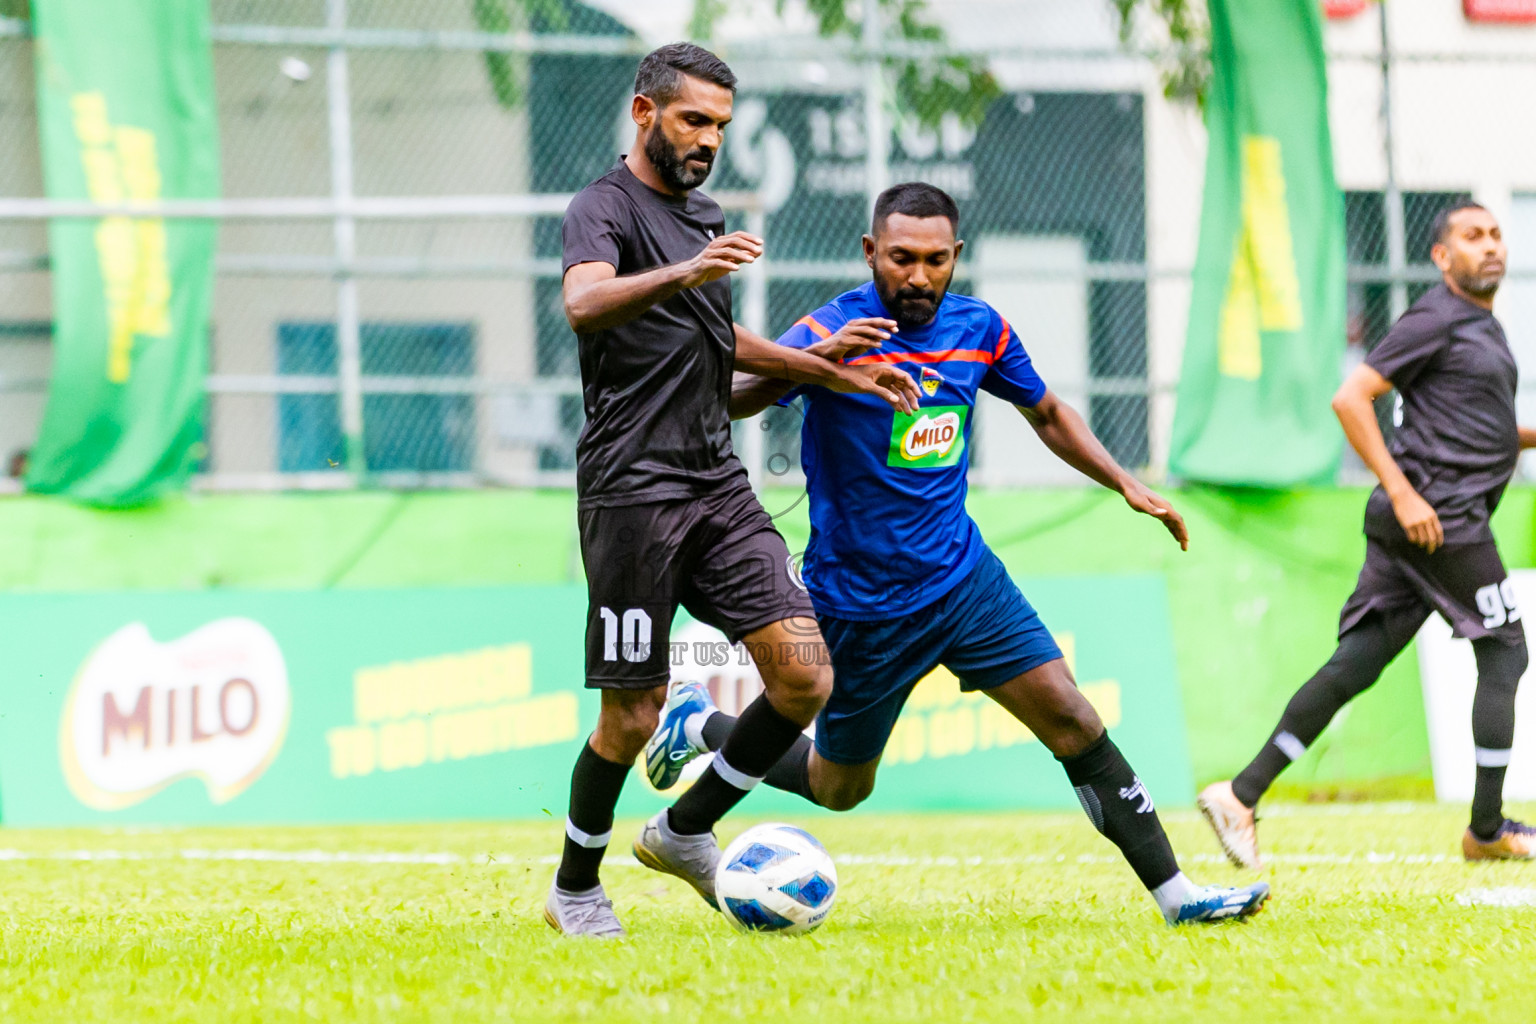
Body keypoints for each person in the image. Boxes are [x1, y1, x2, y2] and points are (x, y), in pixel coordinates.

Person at [646, 182, 1271, 925]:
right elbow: (728, 395)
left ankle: (1179, 898)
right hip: (862, 604)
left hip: (964, 581)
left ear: (956, 257)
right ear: (871, 252)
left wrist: (1125, 484)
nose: (917, 276)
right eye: (901, 258)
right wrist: (810, 361)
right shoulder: (834, 325)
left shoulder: (982, 329)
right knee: (841, 786)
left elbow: (1046, 410)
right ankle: (698, 725)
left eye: (935, 260)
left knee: (1073, 717)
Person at [546, 43, 923, 938]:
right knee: (630, 715)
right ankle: (574, 887)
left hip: (717, 484)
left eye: (720, 124)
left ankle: (683, 830)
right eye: (693, 121)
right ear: (645, 114)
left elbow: (717, 338)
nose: (710, 139)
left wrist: (822, 367)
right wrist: (692, 270)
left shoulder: (703, 214)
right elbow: (584, 305)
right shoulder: (601, 208)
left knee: (805, 677)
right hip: (631, 492)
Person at [1200, 202, 1536, 867]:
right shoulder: (1435, 318)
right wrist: (1405, 492)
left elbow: (1483, 429)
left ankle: (1240, 795)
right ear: (1442, 258)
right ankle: (1488, 828)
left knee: (1356, 663)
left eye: (1496, 234)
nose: (1490, 246)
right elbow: (1351, 397)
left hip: (1427, 521)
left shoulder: (1481, 327)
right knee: (1504, 650)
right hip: (1439, 518)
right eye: (1472, 237)